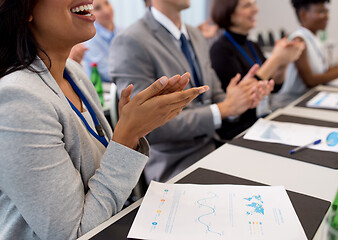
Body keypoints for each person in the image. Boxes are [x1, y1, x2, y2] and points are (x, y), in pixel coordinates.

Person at [0, 0, 208, 239]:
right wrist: (127, 135)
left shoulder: (74, 73)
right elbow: (74, 234)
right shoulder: (17, 98)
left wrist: (135, 128)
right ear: (24, 9)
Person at [109, 0, 273, 183]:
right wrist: (224, 109)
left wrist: (242, 99)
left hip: (216, 147)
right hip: (176, 163)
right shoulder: (131, 41)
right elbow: (147, 127)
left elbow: (216, 95)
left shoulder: (195, 35)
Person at [210, 0, 305, 135]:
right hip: (239, 130)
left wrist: (284, 61)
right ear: (229, 13)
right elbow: (242, 95)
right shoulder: (220, 50)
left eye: (254, 4)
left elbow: (274, 86)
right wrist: (276, 59)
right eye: (247, 5)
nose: (255, 10)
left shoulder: (252, 45)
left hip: (260, 122)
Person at [272, 0, 338, 109]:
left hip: (308, 99)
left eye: (327, 11)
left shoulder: (314, 38)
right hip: (289, 104)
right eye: (321, 12)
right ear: (303, 14)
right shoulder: (299, 40)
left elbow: (325, 72)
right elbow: (310, 80)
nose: (327, 16)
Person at [69, 0, 120, 83]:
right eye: (97, 8)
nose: (106, 11)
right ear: (90, 13)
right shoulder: (89, 37)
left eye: (106, 3)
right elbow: (107, 72)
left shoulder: (122, 31)